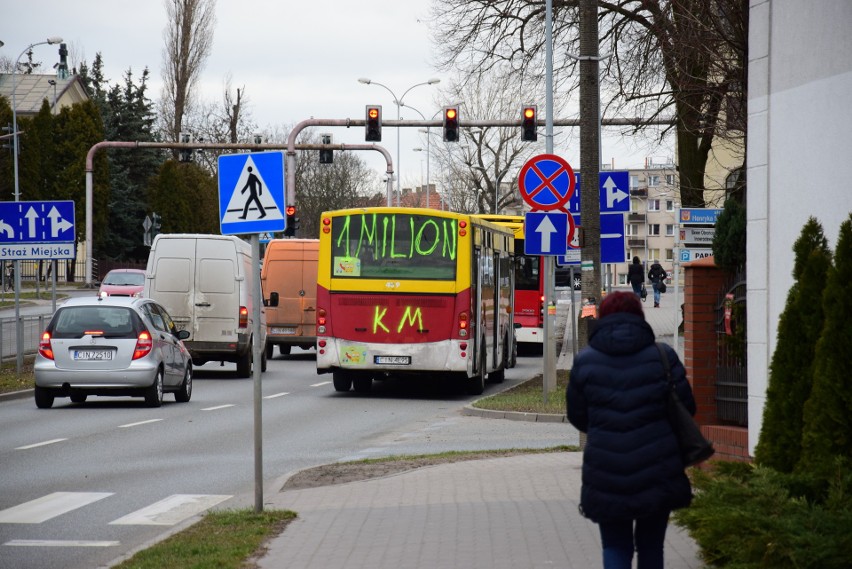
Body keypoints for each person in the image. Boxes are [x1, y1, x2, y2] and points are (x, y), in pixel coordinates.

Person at [566, 291, 695, 569]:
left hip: (606, 469)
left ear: (603, 317)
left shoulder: (586, 361)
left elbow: (577, 415)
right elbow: (688, 408)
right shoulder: (664, 357)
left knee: (615, 545)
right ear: (640, 316)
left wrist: (603, 429)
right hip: (657, 469)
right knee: (651, 547)